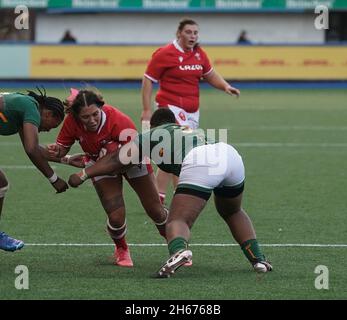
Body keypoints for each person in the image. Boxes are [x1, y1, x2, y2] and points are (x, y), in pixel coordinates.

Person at [68, 108, 273, 278]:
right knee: (232, 211)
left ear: (154, 126)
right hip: (229, 155)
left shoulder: (152, 135)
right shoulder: (187, 130)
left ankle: (179, 252)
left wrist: (85, 173)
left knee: (177, 220)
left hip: (201, 160)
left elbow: (116, 160)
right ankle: (259, 259)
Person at [46, 89, 168, 267]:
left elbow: (128, 156)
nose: (92, 120)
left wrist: (85, 173)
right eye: (85, 117)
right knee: (116, 216)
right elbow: (62, 149)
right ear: (76, 115)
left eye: (95, 114)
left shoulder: (119, 120)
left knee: (155, 209)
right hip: (99, 163)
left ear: (101, 108)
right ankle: (122, 249)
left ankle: (175, 244)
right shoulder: (71, 122)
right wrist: (57, 152)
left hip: (132, 160)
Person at [141, 18, 240, 206]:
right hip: (170, 107)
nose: (192, 36)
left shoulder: (199, 54)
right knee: (180, 151)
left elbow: (209, 74)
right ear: (179, 34)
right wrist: (146, 109)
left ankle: (158, 195)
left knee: (175, 152)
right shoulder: (165, 54)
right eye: (188, 32)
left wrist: (226, 86)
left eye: (195, 33)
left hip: (192, 111)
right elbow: (147, 80)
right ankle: (175, 195)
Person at [0, 88, 68, 252]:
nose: (49, 130)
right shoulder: (31, 108)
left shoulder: (26, 108)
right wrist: (54, 179)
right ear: (48, 114)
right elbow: (32, 149)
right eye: (54, 125)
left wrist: (69, 160)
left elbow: (34, 149)